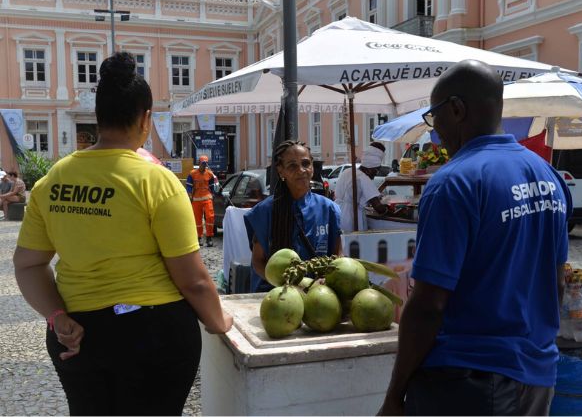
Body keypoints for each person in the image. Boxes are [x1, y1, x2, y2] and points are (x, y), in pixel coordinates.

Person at [13, 52, 232, 416]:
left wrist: (55, 317)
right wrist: (218, 320)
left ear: (99, 117)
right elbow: (192, 280)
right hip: (153, 334)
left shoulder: (53, 180)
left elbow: (28, 265)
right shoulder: (156, 180)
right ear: (146, 119)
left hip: (79, 334)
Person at [379, 60, 572, 416]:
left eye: (433, 118)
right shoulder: (549, 176)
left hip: (472, 381)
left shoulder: (453, 183)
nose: (434, 131)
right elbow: (556, 282)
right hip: (538, 374)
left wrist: (395, 395)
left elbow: (428, 306)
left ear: (456, 109)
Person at [244, 140, 343, 293]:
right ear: (280, 171)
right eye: (292, 165)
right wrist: (282, 284)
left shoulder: (329, 209)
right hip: (275, 294)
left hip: (318, 294)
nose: (301, 170)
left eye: (305, 163)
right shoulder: (265, 212)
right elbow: (258, 261)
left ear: (312, 165)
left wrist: (326, 280)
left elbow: (338, 256)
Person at [335, 142, 388, 232]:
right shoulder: (363, 178)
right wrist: (388, 210)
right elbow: (378, 207)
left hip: (337, 214)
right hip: (351, 218)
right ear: (369, 169)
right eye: (376, 170)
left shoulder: (347, 172)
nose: (377, 173)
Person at [187, 155, 217, 247]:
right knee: (197, 220)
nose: (204, 165)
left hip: (207, 198)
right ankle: (199, 237)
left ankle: (209, 237)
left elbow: (212, 186)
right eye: (203, 164)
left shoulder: (210, 174)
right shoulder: (192, 174)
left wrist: (213, 194)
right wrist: (190, 195)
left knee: (210, 217)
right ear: (199, 163)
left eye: (206, 164)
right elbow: (189, 186)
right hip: (196, 200)